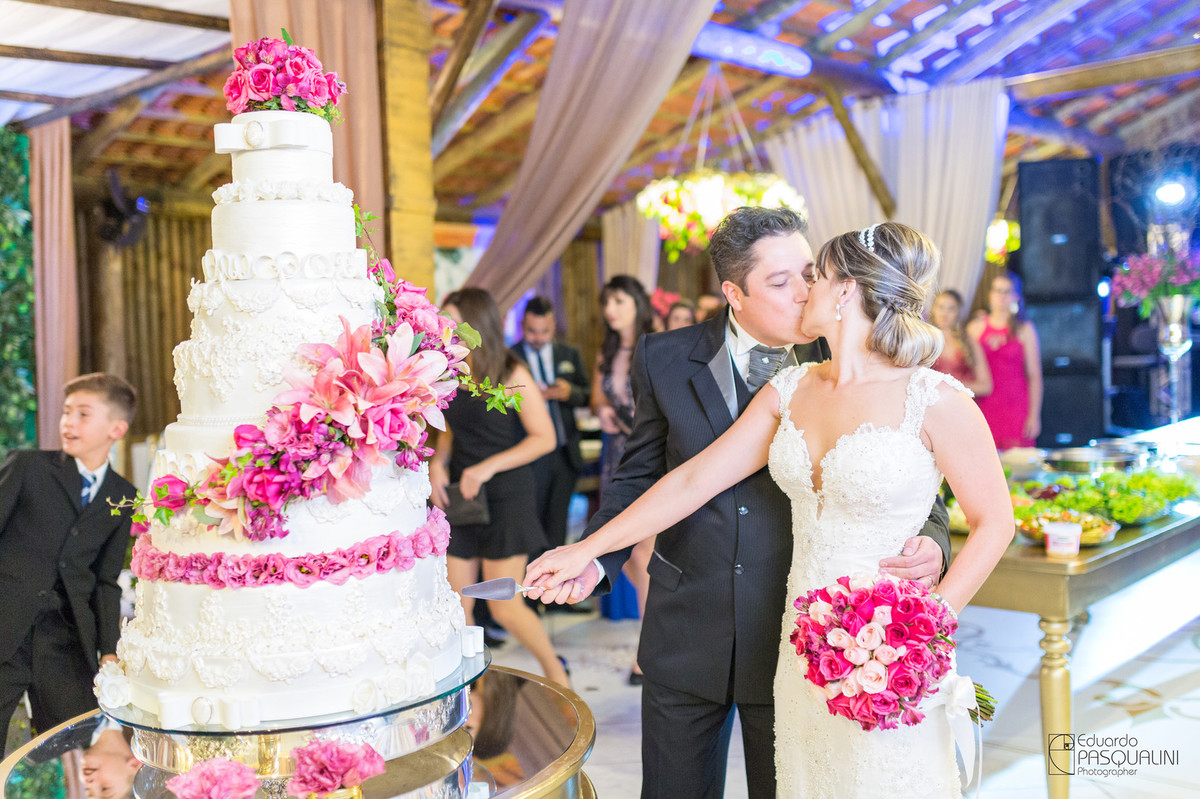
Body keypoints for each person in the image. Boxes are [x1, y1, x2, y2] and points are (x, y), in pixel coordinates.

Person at [527, 222, 1013, 797]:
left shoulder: (935, 398)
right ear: (735, 292)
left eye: (814, 276)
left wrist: (921, 629)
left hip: (877, 639)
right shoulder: (791, 388)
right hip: (785, 641)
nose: (806, 290)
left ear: (846, 292)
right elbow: (690, 479)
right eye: (789, 280)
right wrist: (589, 548)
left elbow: (985, 519)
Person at [431, 288, 569, 687]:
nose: (446, 327)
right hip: (462, 495)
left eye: (453, 319)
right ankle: (469, 688)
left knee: (505, 606)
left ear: (477, 323)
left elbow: (544, 437)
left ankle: (557, 675)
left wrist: (487, 468)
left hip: (507, 494)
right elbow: (451, 435)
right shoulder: (450, 370)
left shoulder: (511, 371)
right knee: (458, 603)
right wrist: (439, 465)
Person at [0, 373, 138, 757]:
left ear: (116, 428)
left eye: (82, 414)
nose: (68, 422)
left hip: (63, 640)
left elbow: (105, 581)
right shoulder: (27, 467)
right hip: (6, 625)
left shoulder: (123, 496)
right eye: (65, 413)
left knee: (69, 743)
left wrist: (108, 648)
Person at [591, 275, 656, 680]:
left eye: (618, 300)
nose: (611, 310)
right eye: (606, 302)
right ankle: (652, 638)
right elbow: (601, 397)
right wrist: (602, 412)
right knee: (627, 554)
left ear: (636, 301)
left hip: (648, 455)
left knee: (645, 551)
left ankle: (648, 651)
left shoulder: (656, 343)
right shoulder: (609, 348)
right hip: (615, 455)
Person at [509, 296, 590, 554]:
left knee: (558, 525)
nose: (538, 337)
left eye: (544, 331)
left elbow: (589, 395)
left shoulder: (569, 353)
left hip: (565, 452)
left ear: (553, 325)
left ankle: (552, 589)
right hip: (530, 453)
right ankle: (530, 588)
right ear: (523, 326)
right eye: (532, 331)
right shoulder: (511, 357)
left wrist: (570, 393)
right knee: (531, 523)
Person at [967, 272, 1043, 449]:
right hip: (983, 407)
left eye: (1007, 291)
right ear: (990, 294)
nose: (1001, 296)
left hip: (1016, 409)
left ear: (1016, 296)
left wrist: (1034, 415)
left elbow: (1034, 375)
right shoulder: (975, 327)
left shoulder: (1025, 329)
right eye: (997, 290)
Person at [931, 289, 993, 396]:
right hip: (930, 402)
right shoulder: (924, 340)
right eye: (941, 307)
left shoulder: (969, 342)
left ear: (959, 312)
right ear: (933, 309)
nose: (944, 313)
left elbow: (985, 386)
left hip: (959, 402)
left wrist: (951, 386)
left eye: (951, 308)